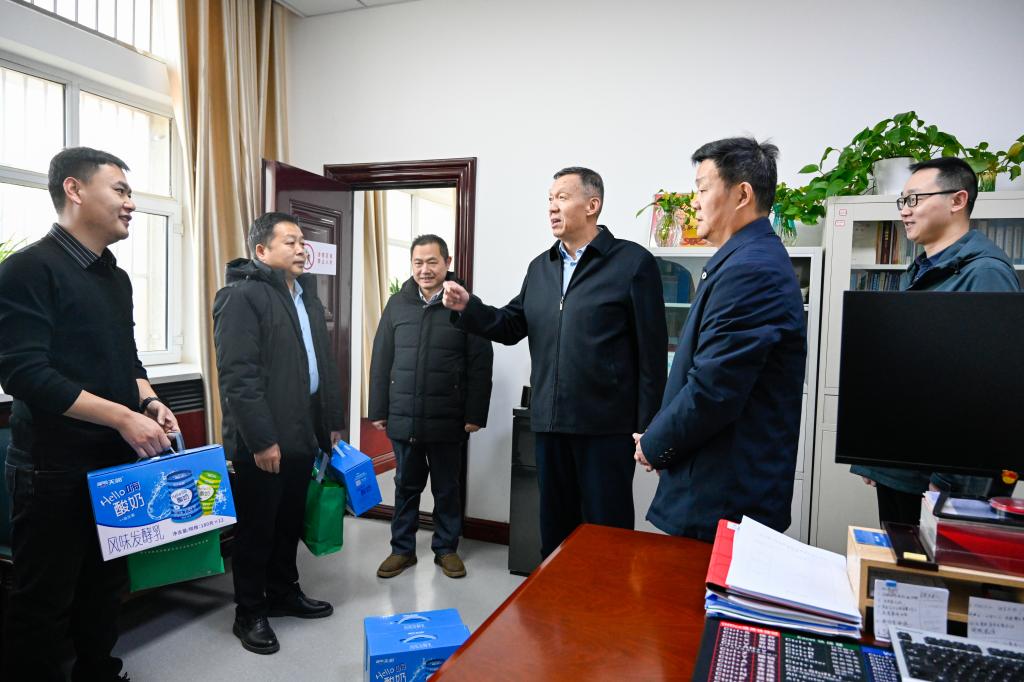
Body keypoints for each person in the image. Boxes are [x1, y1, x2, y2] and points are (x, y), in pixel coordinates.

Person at [0, 147, 179, 681]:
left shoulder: (114, 277)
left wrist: (147, 402)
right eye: (120, 190)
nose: (131, 203)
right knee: (44, 603)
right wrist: (122, 418)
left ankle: (99, 672)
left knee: (105, 588)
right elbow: (24, 374)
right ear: (74, 190)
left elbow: (127, 360)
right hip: (52, 470)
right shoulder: (28, 269)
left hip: (113, 465)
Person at [443, 167, 667, 558]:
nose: (551, 207)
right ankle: (557, 597)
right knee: (555, 530)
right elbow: (511, 325)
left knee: (606, 531)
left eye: (562, 197)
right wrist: (468, 308)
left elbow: (652, 353)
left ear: (592, 205)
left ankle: (603, 599)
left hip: (606, 429)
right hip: (548, 423)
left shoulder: (632, 263)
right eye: (549, 199)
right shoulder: (540, 267)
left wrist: (648, 427)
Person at [634, 137, 807, 542]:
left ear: (742, 194)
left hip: (723, 495)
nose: (693, 203)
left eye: (702, 189)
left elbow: (714, 389)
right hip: (719, 486)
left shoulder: (751, 270)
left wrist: (655, 443)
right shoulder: (745, 258)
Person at [851, 156, 1021, 524]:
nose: (905, 210)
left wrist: (953, 485)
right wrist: (878, 459)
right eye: (903, 201)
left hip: (940, 483)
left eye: (915, 199)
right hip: (906, 468)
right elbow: (907, 372)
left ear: (958, 200)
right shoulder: (923, 270)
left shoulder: (985, 274)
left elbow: (990, 397)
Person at [213, 212, 345, 655]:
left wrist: (329, 423)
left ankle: (284, 593)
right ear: (261, 251)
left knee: (289, 521)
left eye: (303, 241)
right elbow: (238, 377)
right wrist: (261, 440)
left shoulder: (306, 297)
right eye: (290, 241)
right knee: (257, 529)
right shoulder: (241, 297)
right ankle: (249, 612)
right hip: (263, 440)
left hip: (302, 431)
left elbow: (322, 366)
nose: (301, 248)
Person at [369, 234, 493, 579]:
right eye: (418, 262)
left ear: (447, 263)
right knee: (405, 487)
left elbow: (481, 364)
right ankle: (402, 550)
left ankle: (446, 549)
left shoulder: (466, 305)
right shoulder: (397, 304)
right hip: (404, 415)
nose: (424, 269)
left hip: (448, 418)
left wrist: (475, 414)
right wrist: (378, 409)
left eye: (432, 262)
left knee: (446, 487)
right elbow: (381, 359)